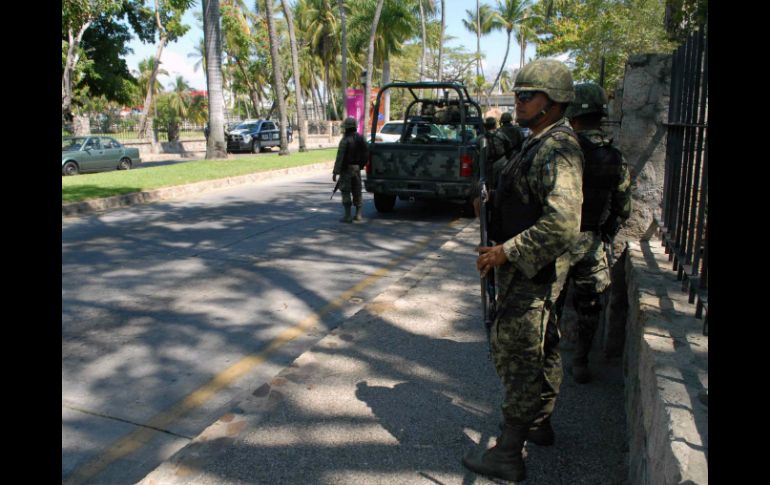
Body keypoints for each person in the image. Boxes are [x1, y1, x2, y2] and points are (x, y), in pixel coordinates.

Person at [462, 59, 584, 483]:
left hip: (531, 273)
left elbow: (563, 223)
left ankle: (509, 453)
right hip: (525, 270)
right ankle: (537, 423)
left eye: (526, 95)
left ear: (552, 104)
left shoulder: (558, 149)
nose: (517, 100)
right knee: (543, 348)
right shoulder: (536, 142)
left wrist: (506, 252)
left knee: (519, 357)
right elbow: (524, 196)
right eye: (517, 93)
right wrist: (491, 203)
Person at [550, 82, 632, 384]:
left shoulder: (560, 152)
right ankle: (581, 361)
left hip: (556, 241)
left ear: (572, 115)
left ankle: (547, 361)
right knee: (590, 306)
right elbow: (624, 206)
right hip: (591, 242)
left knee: (549, 303)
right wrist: (605, 232)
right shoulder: (614, 157)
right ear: (602, 114)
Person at [333, 117, 368, 223]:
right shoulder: (361, 138)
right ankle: (358, 215)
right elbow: (366, 152)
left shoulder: (344, 140)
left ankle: (348, 216)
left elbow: (340, 157)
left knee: (346, 191)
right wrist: (361, 165)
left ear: (346, 128)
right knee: (357, 191)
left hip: (346, 170)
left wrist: (335, 172)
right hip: (357, 169)